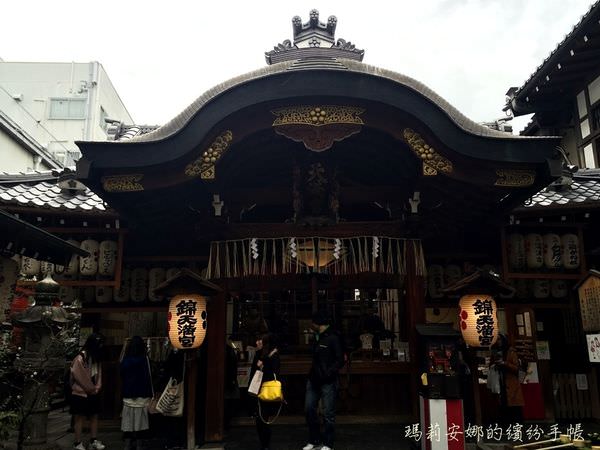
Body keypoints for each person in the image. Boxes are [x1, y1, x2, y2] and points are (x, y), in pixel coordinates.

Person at [303, 311, 345, 450]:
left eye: (312, 323)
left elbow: (340, 360)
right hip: (313, 379)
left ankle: (328, 444)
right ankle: (314, 440)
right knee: (309, 409)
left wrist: (328, 373)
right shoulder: (316, 337)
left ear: (318, 324)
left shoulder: (333, 337)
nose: (310, 325)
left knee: (328, 413)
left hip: (328, 380)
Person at [70, 333, 105, 450]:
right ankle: (77, 442)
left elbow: (99, 373)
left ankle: (93, 440)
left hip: (93, 391)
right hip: (81, 392)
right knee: (79, 417)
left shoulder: (96, 357)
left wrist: (98, 386)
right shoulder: (81, 358)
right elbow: (80, 377)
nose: (101, 346)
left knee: (94, 415)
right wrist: (92, 388)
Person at [120, 336, 154, 450]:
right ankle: (139, 445)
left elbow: (122, 376)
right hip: (142, 395)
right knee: (141, 423)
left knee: (127, 422)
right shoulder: (145, 360)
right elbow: (148, 377)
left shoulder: (125, 360)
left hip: (128, 395)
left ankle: (127, 444)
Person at [250, 332, 281, 450]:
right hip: (257, 389)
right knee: (259, 419)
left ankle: (265, 445)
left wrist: (264, 364)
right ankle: (263, 444)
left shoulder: (274, 355)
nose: (257, 342)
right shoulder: (258, 354)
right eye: (257, 340)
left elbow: (274, 374)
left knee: (264, 419)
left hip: (267, 389)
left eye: (260, 340)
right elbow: (254, 373)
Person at [493, 334, 524, 424]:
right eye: (497, 340)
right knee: (503, 403)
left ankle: (516, 424)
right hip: (501, 381)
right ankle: (506, 424)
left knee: (513, 404)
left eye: (499, 340)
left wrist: (505, 363)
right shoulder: (497, 351)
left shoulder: (511, 352)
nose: (498, 342)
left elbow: (516, 368)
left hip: (511, 381)